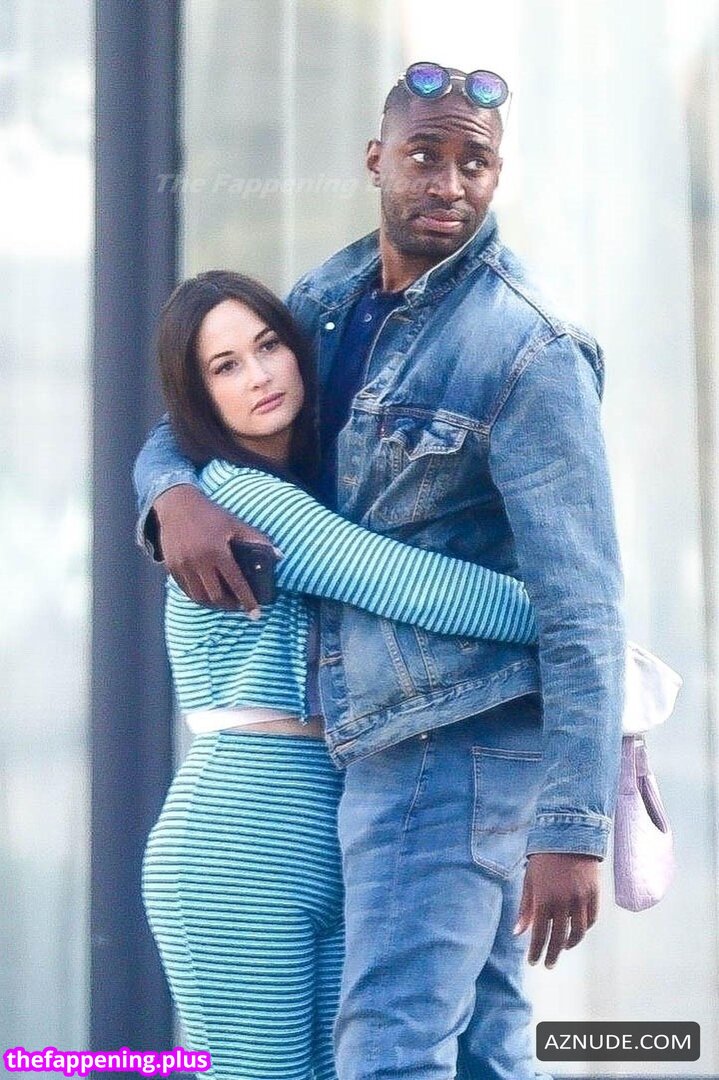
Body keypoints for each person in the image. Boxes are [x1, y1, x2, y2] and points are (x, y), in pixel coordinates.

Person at [134, 64, 626, 1080]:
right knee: (445, 1046)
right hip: (326, 787)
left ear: (497, 176)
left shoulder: (523, 348)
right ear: (375, 160)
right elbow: (190, 425)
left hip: (441, 743)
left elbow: (580, 606)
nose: (446, 182)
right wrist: (165, 491)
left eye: (472, 162)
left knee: (410, 1046)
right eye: (421, 154)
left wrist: (572, 825)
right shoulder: (326, 308)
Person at [143, 269, 540, 1080]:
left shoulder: (319, 482)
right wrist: (574, 618)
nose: (258, 376)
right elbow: (411, 588)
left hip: (336, 834)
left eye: (267, 347)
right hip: (238, 843)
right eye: (225, 366)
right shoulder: (239, 494)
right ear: (199, 394)